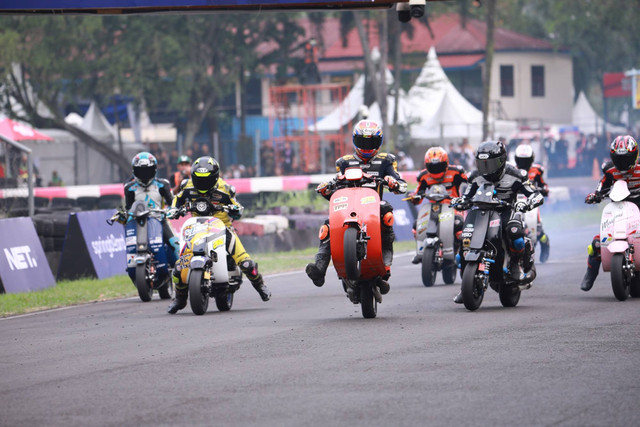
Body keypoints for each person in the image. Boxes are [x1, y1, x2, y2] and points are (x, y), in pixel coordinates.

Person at [304, 120, 407, 294]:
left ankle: (386, 263)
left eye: (371, 142)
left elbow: (401, 184)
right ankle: (319, 269)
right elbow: (335, 188)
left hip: (373, 206)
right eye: (362, 141)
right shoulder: (344, 162)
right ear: (354, 140)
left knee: (387, 214)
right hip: (348, 206)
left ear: (379, 142)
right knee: (327, 225)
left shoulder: (386, 161)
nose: (366, 146)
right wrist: (325, 188)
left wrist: (393, 182)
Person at [167, 156, 271, 314]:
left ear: (215, 177)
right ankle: (180, 299)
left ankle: (260, 285)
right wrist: (174, 209)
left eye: (206, 179)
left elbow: (237, 207)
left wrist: (235, 210)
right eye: (198, 179)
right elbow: (177, 200)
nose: (202, 183)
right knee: (179, 267)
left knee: (246, 263)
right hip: (196, 227)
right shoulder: (186, 186)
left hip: (222, 227)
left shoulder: (225, 188)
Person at [451, 140, 544, 304]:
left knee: (514, 232)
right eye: (483, 164)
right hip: (481, 212)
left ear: (501, 161)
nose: (486, 169)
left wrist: (527, 202)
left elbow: (535, 194)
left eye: (490, 164)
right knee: (463, 239)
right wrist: (460, 201)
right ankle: (465, 287)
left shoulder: (516, 174)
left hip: (506, 211)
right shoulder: (474, 176)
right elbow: (467, 196)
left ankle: (515, 265)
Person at [580, 135, 640, 291]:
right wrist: (595, 195)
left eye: (626, 158)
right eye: (618, 159)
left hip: (638, 207)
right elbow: (602, 186)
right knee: (596, 243)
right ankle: (589, 275)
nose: (622, 163)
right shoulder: (609, 169)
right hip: (618, 210)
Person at [410, 146, 468, 263]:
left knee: (459, 225)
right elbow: (419, 194)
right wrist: (414, 197)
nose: (436, 169)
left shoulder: (457, 171)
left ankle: (462, 251)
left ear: (446, 163)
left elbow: (471, 182)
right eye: (432, 167)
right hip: (433, 208)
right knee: (417, 225)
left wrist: (467, 196)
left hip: (453, 207)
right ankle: (421, 251)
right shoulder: (423, 176)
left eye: (439, 166)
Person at [124, 151, 180, 263]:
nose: (144, 174)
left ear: (154, 169)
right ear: (134, 171)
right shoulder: (129, 187)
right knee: (131, 246)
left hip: (160, 220)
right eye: (141, 171)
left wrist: (172, 211)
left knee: (175, 244)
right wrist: (124, 216)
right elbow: (128, 208)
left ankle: (178, 271)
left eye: (147, 171)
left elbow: (172, 203)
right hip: (138, 222)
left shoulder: (162, 184)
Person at [514, 144, 551, 262]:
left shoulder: (537, 170)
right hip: (515, 200)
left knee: (539, 229)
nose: (523, 163)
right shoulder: (511, 171)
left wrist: (544, 189)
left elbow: (543, 184)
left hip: (531, 201)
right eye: (521, 160)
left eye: (525, 160)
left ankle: (545, 245)